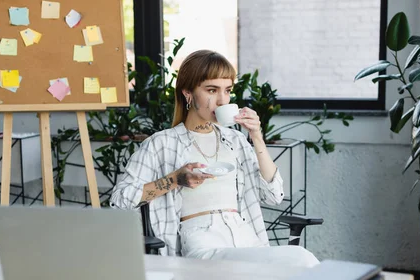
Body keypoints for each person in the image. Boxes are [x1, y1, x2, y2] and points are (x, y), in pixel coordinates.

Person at [110, 50, 319, 268]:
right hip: (202, 240)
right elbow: (120, 200)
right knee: (296, 262)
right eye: (212, 90)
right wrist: (174, 179)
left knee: (302, 260)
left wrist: (257, 137)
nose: (221, 100)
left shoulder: (235, 140)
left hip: (244, 235)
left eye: (227, 91)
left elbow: (274, 195)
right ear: (188, 93)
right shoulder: (161, 144)